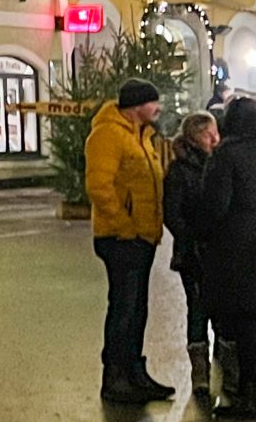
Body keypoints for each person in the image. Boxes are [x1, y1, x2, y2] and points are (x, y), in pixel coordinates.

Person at [196, 96, 256, 418]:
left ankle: (248, 395)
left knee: (242, 320)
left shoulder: (227, 156)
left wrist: (202, 234)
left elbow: (215, 205)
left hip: (235, 242)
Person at [86, 79, 170, 405]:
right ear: (137, 106)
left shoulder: (141, 136)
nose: (158, 107)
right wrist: (123, 225)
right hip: (120, 238)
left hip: (142, 236)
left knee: (137, 308)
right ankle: (116, 377)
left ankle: (135, 370)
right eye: (153, 102)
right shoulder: (108, 135)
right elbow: (99, 186)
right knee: (124, 307)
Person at [161, 111, 220, 373]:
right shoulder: (180, 170)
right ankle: (199, 369)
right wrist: (190, 238)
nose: (215, 139)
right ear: (196, 137)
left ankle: (221, 359)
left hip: (215, 249)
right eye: (210, 134)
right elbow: (172, 213)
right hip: (191, 251)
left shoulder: (218, 163)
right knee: (196, 308)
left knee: (220, 306)